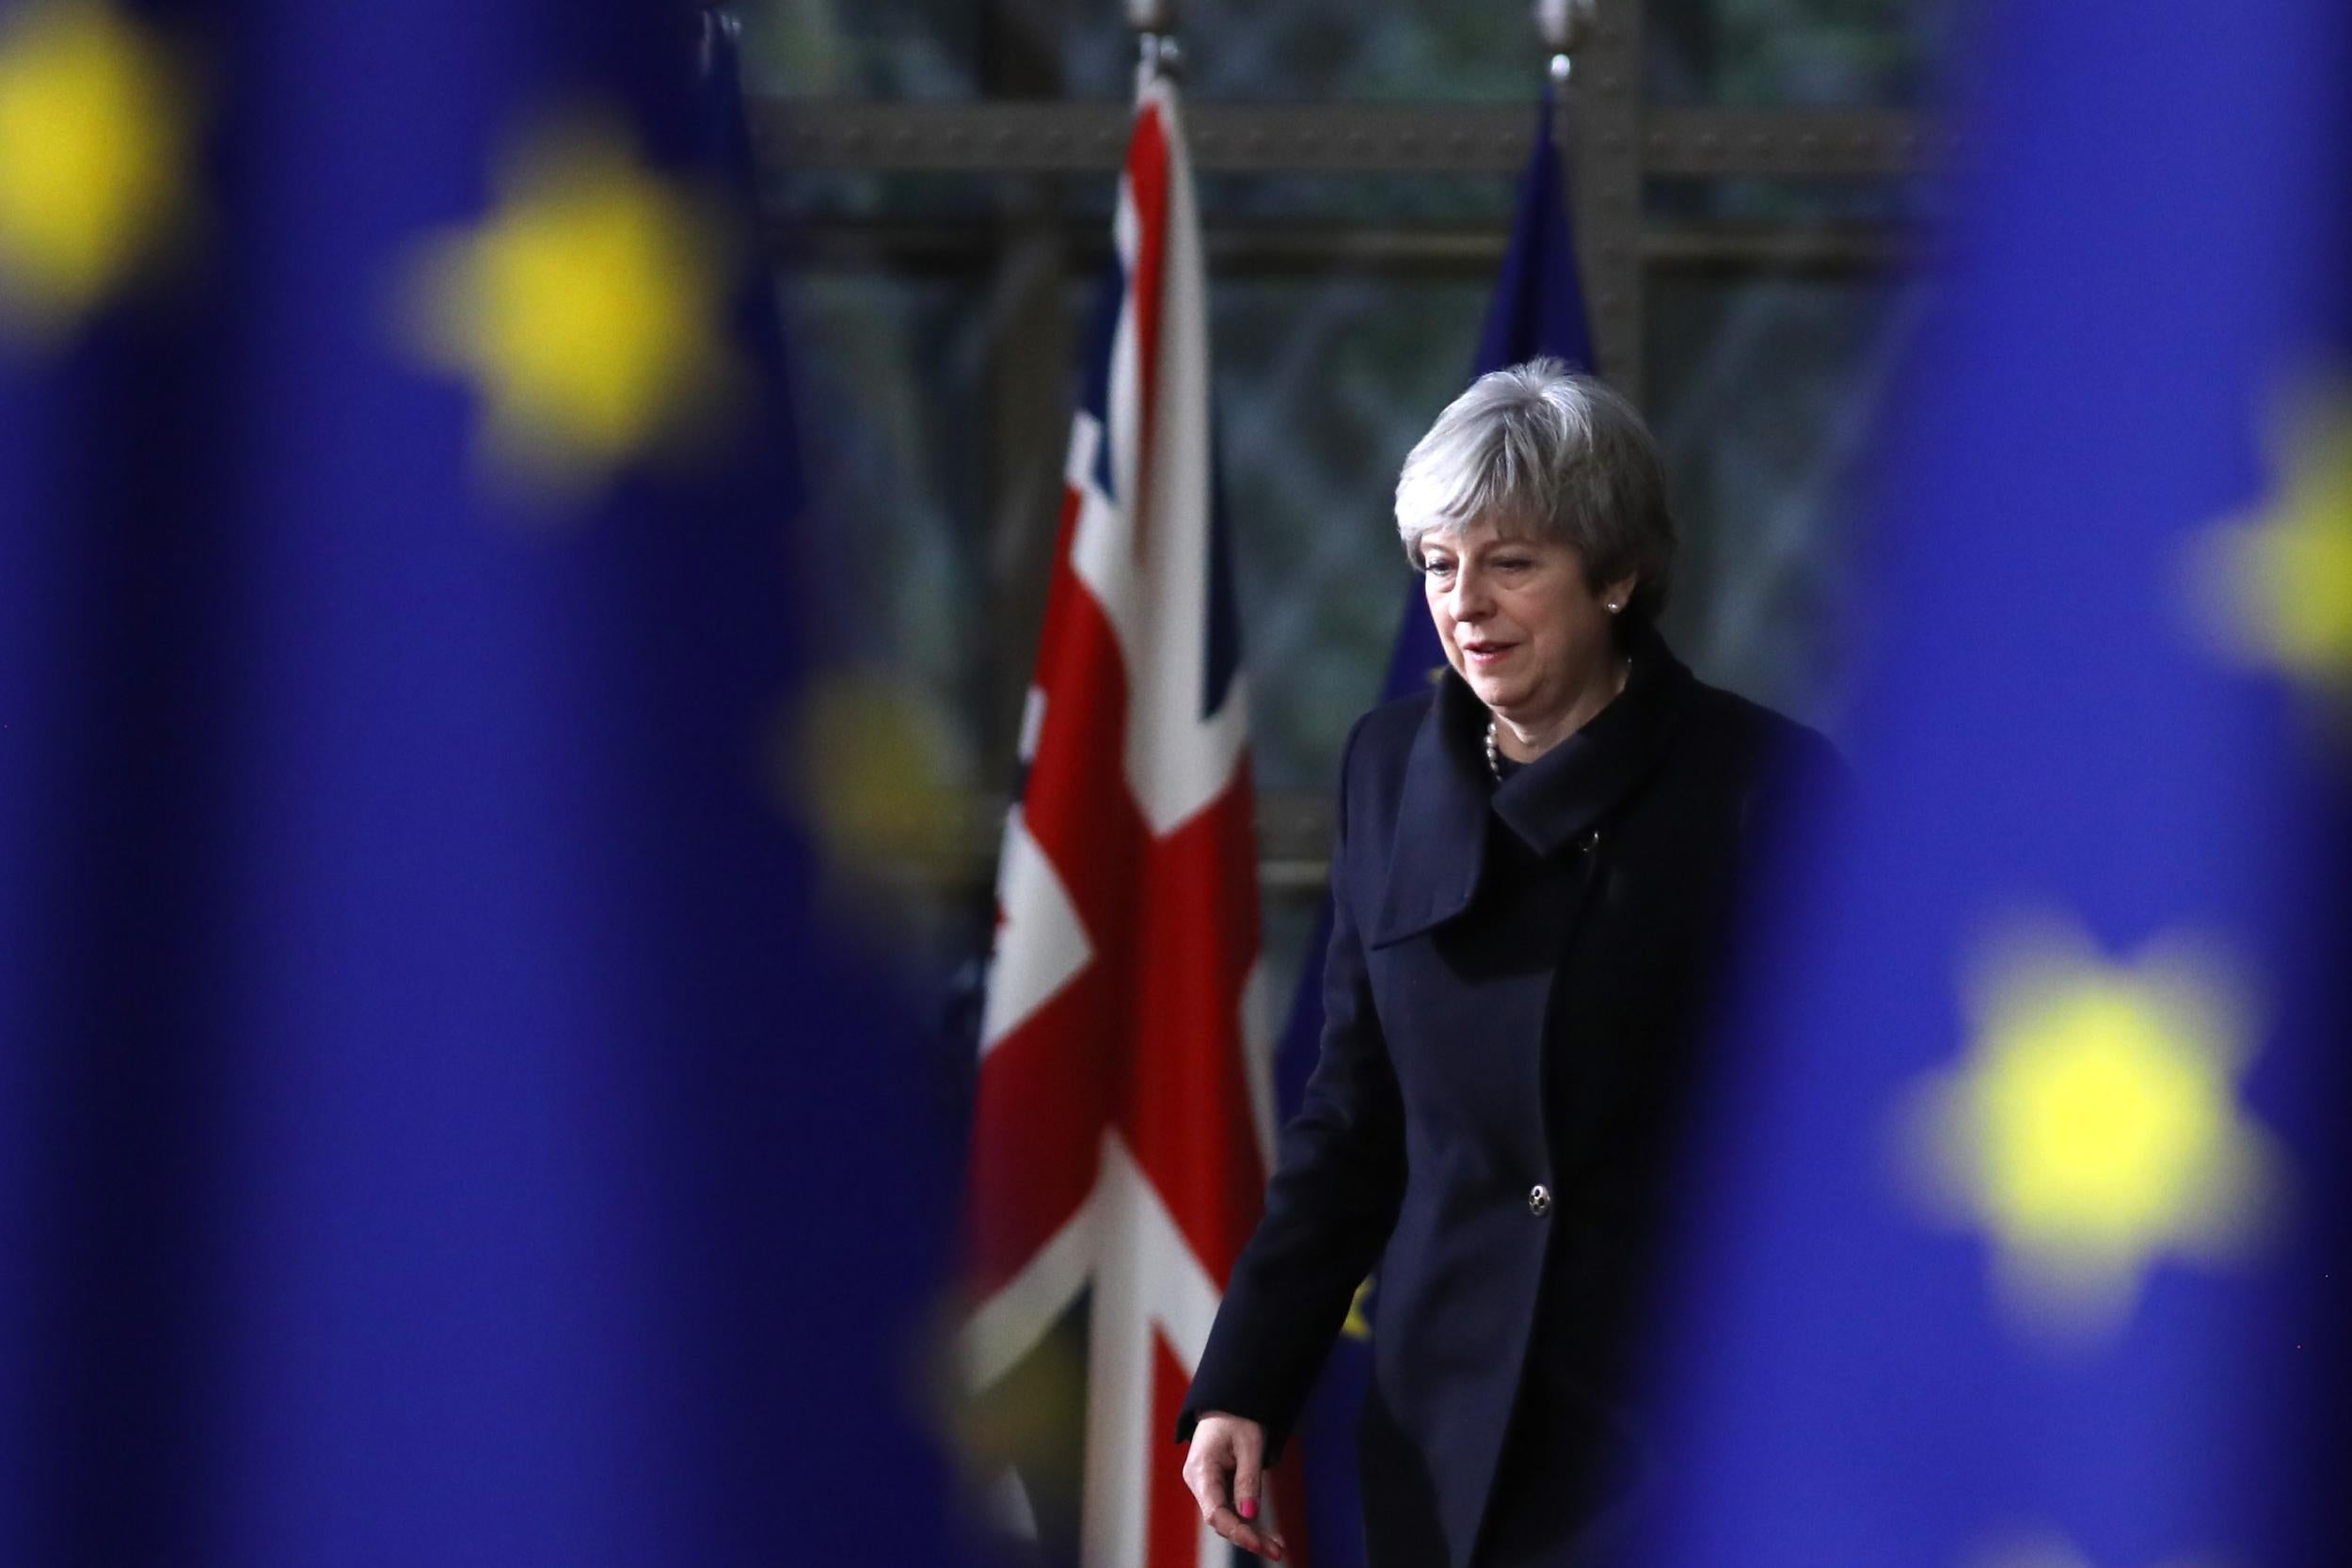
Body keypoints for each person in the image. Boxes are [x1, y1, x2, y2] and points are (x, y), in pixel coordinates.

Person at [1178, 361, 1837, 1567]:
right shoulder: (1386, 767)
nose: (1464, 601)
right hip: (1445, 1426)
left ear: (1619, 575)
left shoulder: (1763, 789)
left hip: (1679, 1416)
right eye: (1438, 563)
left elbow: (1827, 1148)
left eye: (1512, 562)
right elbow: (1353, 1115)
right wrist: (1247, 1379)